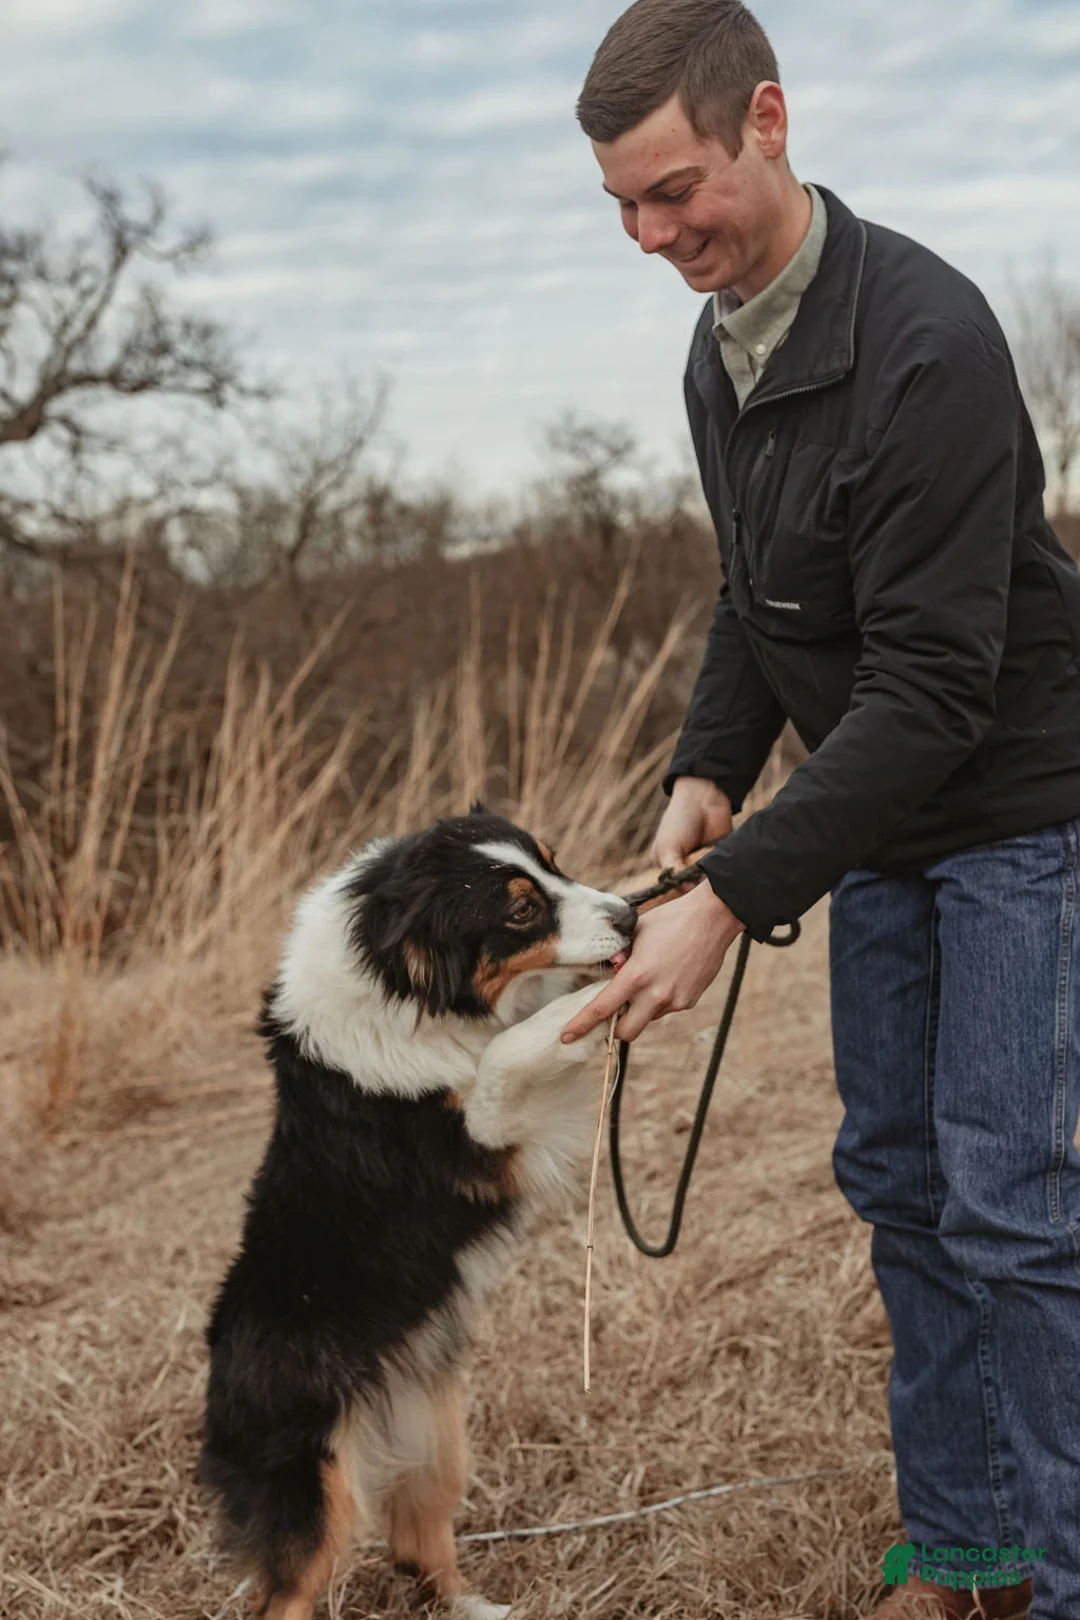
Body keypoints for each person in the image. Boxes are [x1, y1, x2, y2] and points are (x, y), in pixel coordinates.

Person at [558, 4, 1080, 1618]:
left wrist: (734, 899)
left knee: (1012, 1202)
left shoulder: (925, 334)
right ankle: (969, 1543)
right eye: (624, 209)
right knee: (900, 1185)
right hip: (883, 825)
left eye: (677, 190)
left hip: (1012, 807)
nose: (654, 238)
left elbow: (929, 685)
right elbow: (758, 595)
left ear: (768, 121)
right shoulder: (724, 347)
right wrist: (710, 765)